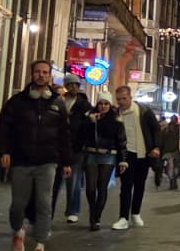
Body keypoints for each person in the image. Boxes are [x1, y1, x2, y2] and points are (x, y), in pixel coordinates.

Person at [0, 59, 72, 251]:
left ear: (49, 76)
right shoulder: (17, 102)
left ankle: (39, 247)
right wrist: (3, 152)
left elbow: (64, 134)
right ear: (32, 74)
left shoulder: (57, 104)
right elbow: (3, 128)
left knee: (44, 204)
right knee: (18, 204)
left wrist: (66, 161)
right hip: (22, 160)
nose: (41, 75)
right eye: (38, 72)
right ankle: (18, 229)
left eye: (45, 72)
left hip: (47, 161)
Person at [111, 85, 160, 230]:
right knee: (126, 186)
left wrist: (156, 147)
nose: (121, 102)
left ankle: (136, 213)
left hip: (143, 154)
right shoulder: (116, 115)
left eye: (124, 99)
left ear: (130, 97)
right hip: (126, 155)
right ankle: (123, 217)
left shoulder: (144, 111)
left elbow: (156, 129)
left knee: (140, 185)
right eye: (118, 99)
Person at [76, 94, 127, 229]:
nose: (103, 106)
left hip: (108, 155)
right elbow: (80, 134)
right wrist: (90, 122)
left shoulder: (116, 120)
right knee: (91, 187)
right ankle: (92, 211)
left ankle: (96, 217)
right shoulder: (89, 117)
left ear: (110, 105)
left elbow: (121, 141)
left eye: (106, 103)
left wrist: (123, 160)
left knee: (102, 186)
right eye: (100, 103)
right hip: (91, 153)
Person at [61, 76, 91, 221]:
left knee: (74, 179)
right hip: (59, 145)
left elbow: (88, 126)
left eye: (76, 85)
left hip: (77, 146)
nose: (73, 87)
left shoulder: (84, 104)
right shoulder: (59, 101)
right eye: (70, 84)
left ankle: (73, 210)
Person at [158, 115, 180, 189]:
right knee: (176, 167)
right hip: (178, 151)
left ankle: (172, 182)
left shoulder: (166, 129)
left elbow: (161, 140)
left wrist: (160, 150)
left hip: (167, 151)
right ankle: (174, 181)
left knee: (170, 167)